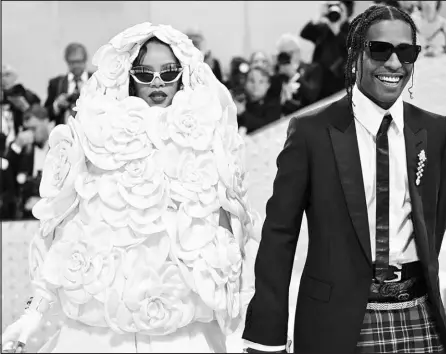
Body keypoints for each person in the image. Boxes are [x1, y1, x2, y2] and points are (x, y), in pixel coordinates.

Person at [2, 22, 259, 353]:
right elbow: (74, 236)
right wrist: (34, 311)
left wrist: (245, 313)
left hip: (185, 325)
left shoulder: (205, 141)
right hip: (105, 329)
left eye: (168, 72)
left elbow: (228, 238)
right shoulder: (101, 138)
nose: (157, 82)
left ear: (183, 73)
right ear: (127, 73)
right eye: (144, 72)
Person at [243, 4, 446, 353]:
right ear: (356, 53)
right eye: (380, 49)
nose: (394, 63)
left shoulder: (435, 130)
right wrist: (267, 337)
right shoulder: (311, 132)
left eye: (406, 52)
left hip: (420, 314)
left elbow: (434, 225)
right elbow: (280, 236)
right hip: (336, 322)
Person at [3, 104, 54, 220]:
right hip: (25, 214)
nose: (30, 133)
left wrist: (44, 202)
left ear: (46, 121)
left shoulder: (61, 146)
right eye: (27, 129)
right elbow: (6, 173)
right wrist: (17, 145)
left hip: (52, 213)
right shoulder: (25, 149)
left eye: (34, 128)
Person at [300, 1, 355, 100]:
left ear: (347, 12)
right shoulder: (324, 28)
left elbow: (352, 49)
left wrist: (337, 31)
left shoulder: (352, 29)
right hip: (320, 82)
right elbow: (305, 33)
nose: (335, 10)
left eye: (340, 8)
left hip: (340, 83)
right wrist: (320, 15)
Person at [268, 34, 322, 115]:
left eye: (289, 53)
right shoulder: (277, 77)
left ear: (298, 52)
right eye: (282, 55)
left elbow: (312, 96)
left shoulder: (313, 69)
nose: (286, 57)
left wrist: (293, 75)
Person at [44, 42, 93, 126]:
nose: (76, 65)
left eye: (79, 61)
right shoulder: (56, 83)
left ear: (85, 60)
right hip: (65, 133)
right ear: (67, 61)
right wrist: (57, 105)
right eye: (72, 62)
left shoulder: (96, 79)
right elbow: (45, 115)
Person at [236, 67, 282, 135]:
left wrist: (243, 113)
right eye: (252, 81)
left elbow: (267, 126)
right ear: (245, 84)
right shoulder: (241, 101)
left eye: (261, 82)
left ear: (268, 85)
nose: (256, 86)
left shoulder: (273, 103)